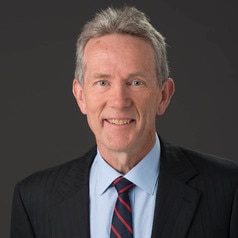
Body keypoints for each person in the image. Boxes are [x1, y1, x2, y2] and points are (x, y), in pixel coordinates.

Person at [11, 6, 238, 238]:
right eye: (102, 82)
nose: (119, 101)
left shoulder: (228, 190)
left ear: (163, 96)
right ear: (81, 96)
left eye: (136, 82)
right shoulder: (33, 200)